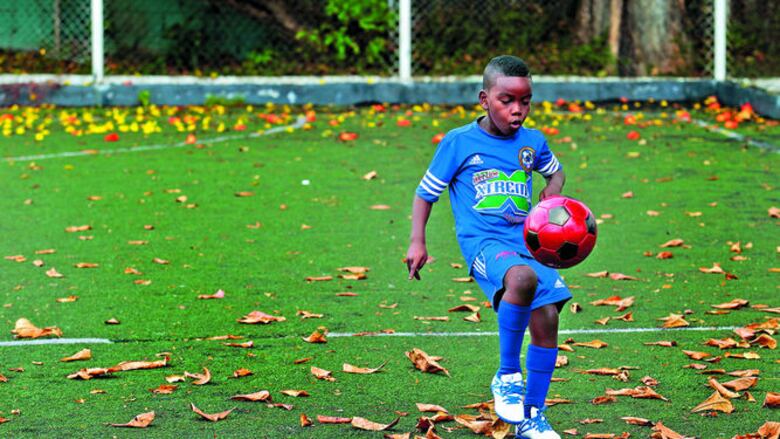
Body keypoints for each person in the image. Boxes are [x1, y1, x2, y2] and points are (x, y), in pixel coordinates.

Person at [405, 55, 569, 439]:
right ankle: (507, 374)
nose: (517, 110)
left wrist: (553, 191)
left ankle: (530, 416)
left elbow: (555, 170)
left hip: (528, 242)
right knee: (522, 280)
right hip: (483, 243)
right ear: (484, 99)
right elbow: (425, 193)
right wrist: (417, 240)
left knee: (547, 319)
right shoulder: (459, 142)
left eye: (525, 101)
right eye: (506, 101)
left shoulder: (532, 142)